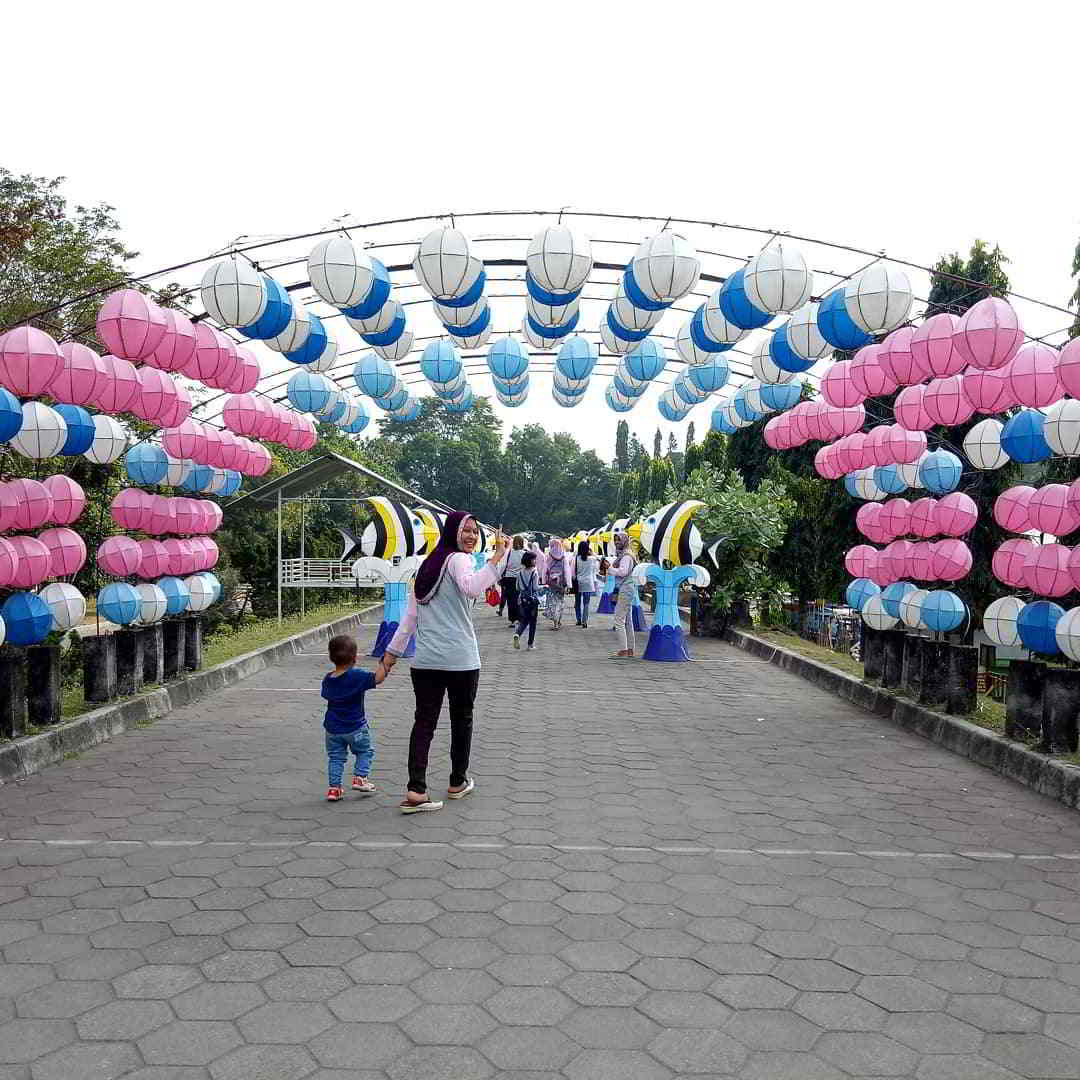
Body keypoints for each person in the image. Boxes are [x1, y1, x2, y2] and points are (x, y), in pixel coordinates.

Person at [382, 511, 508, 813]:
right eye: (466, 530)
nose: (471, 536)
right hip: (460, 660)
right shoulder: (458, 560)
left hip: (425, 661)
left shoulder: (429, 565)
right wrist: (497, 557)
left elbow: (410, 619)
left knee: (424, 723)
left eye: (475, 532)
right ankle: (457, 781)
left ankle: (416, 790)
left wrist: (390, 655)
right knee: (461, 720)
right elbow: (472, 587)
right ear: (452, 531)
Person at [321, 634, 386, 802]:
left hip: (332, 729)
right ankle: (360, 777)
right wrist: (385, 664)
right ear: (355, 657)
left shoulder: (328, 679)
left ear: (331, 657)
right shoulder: (357, 676)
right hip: (356, 727)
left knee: (336, 757)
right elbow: (378, 678)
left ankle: (334, 789)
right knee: (365, 751)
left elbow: (326, 694)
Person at [610, 531, 638, 658]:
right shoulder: (627, 555)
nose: (616, 542)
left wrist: (611, 570)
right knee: (628, 621)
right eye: (615, 540)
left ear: (625, 541)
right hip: (629, 588)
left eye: (619, 540)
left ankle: (623, 650)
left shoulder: (626, 556)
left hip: (625, 589)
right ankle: (630, 649)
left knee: (619, 619)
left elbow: (623, 572)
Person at [513, 551, 540, 650]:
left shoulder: (520, 572)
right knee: (533, 622)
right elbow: (536, 587)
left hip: (523, 599)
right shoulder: (534, 572)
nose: (535, 561)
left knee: (524, 620)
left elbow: (517, 587)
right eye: (534, 559)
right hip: (532, 600)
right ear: (530, 560)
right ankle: (530, 644)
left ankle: (517, 633)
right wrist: (544, 587)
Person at [543, 538, 570, 629]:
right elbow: (567, 570)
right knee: (560, 602)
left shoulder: (549, 555)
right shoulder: (564, 556)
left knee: (553, 602)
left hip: (552, 583)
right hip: (561, 583)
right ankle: (558, 621)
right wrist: (568, 584)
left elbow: (545, 569)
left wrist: (543, 581)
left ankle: (555, 622)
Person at [499, 536, 525, 624]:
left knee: (510, 600)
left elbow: (503, 565)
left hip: (509, 579)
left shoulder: (509, 553)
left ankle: (512, 620)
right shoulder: (524, 554)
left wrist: (499, 576)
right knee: (519, 598)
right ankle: (520, 618)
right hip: (520, 578)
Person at [573, 540, 599, 628]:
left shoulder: (576, 558)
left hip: (578, 583)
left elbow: (573, 571)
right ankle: (585, 621)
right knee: (586, 603)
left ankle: (578, 619)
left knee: (577, 602)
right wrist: (591, 552)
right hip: (588, 583)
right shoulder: (592, 559)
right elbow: (597, 558)